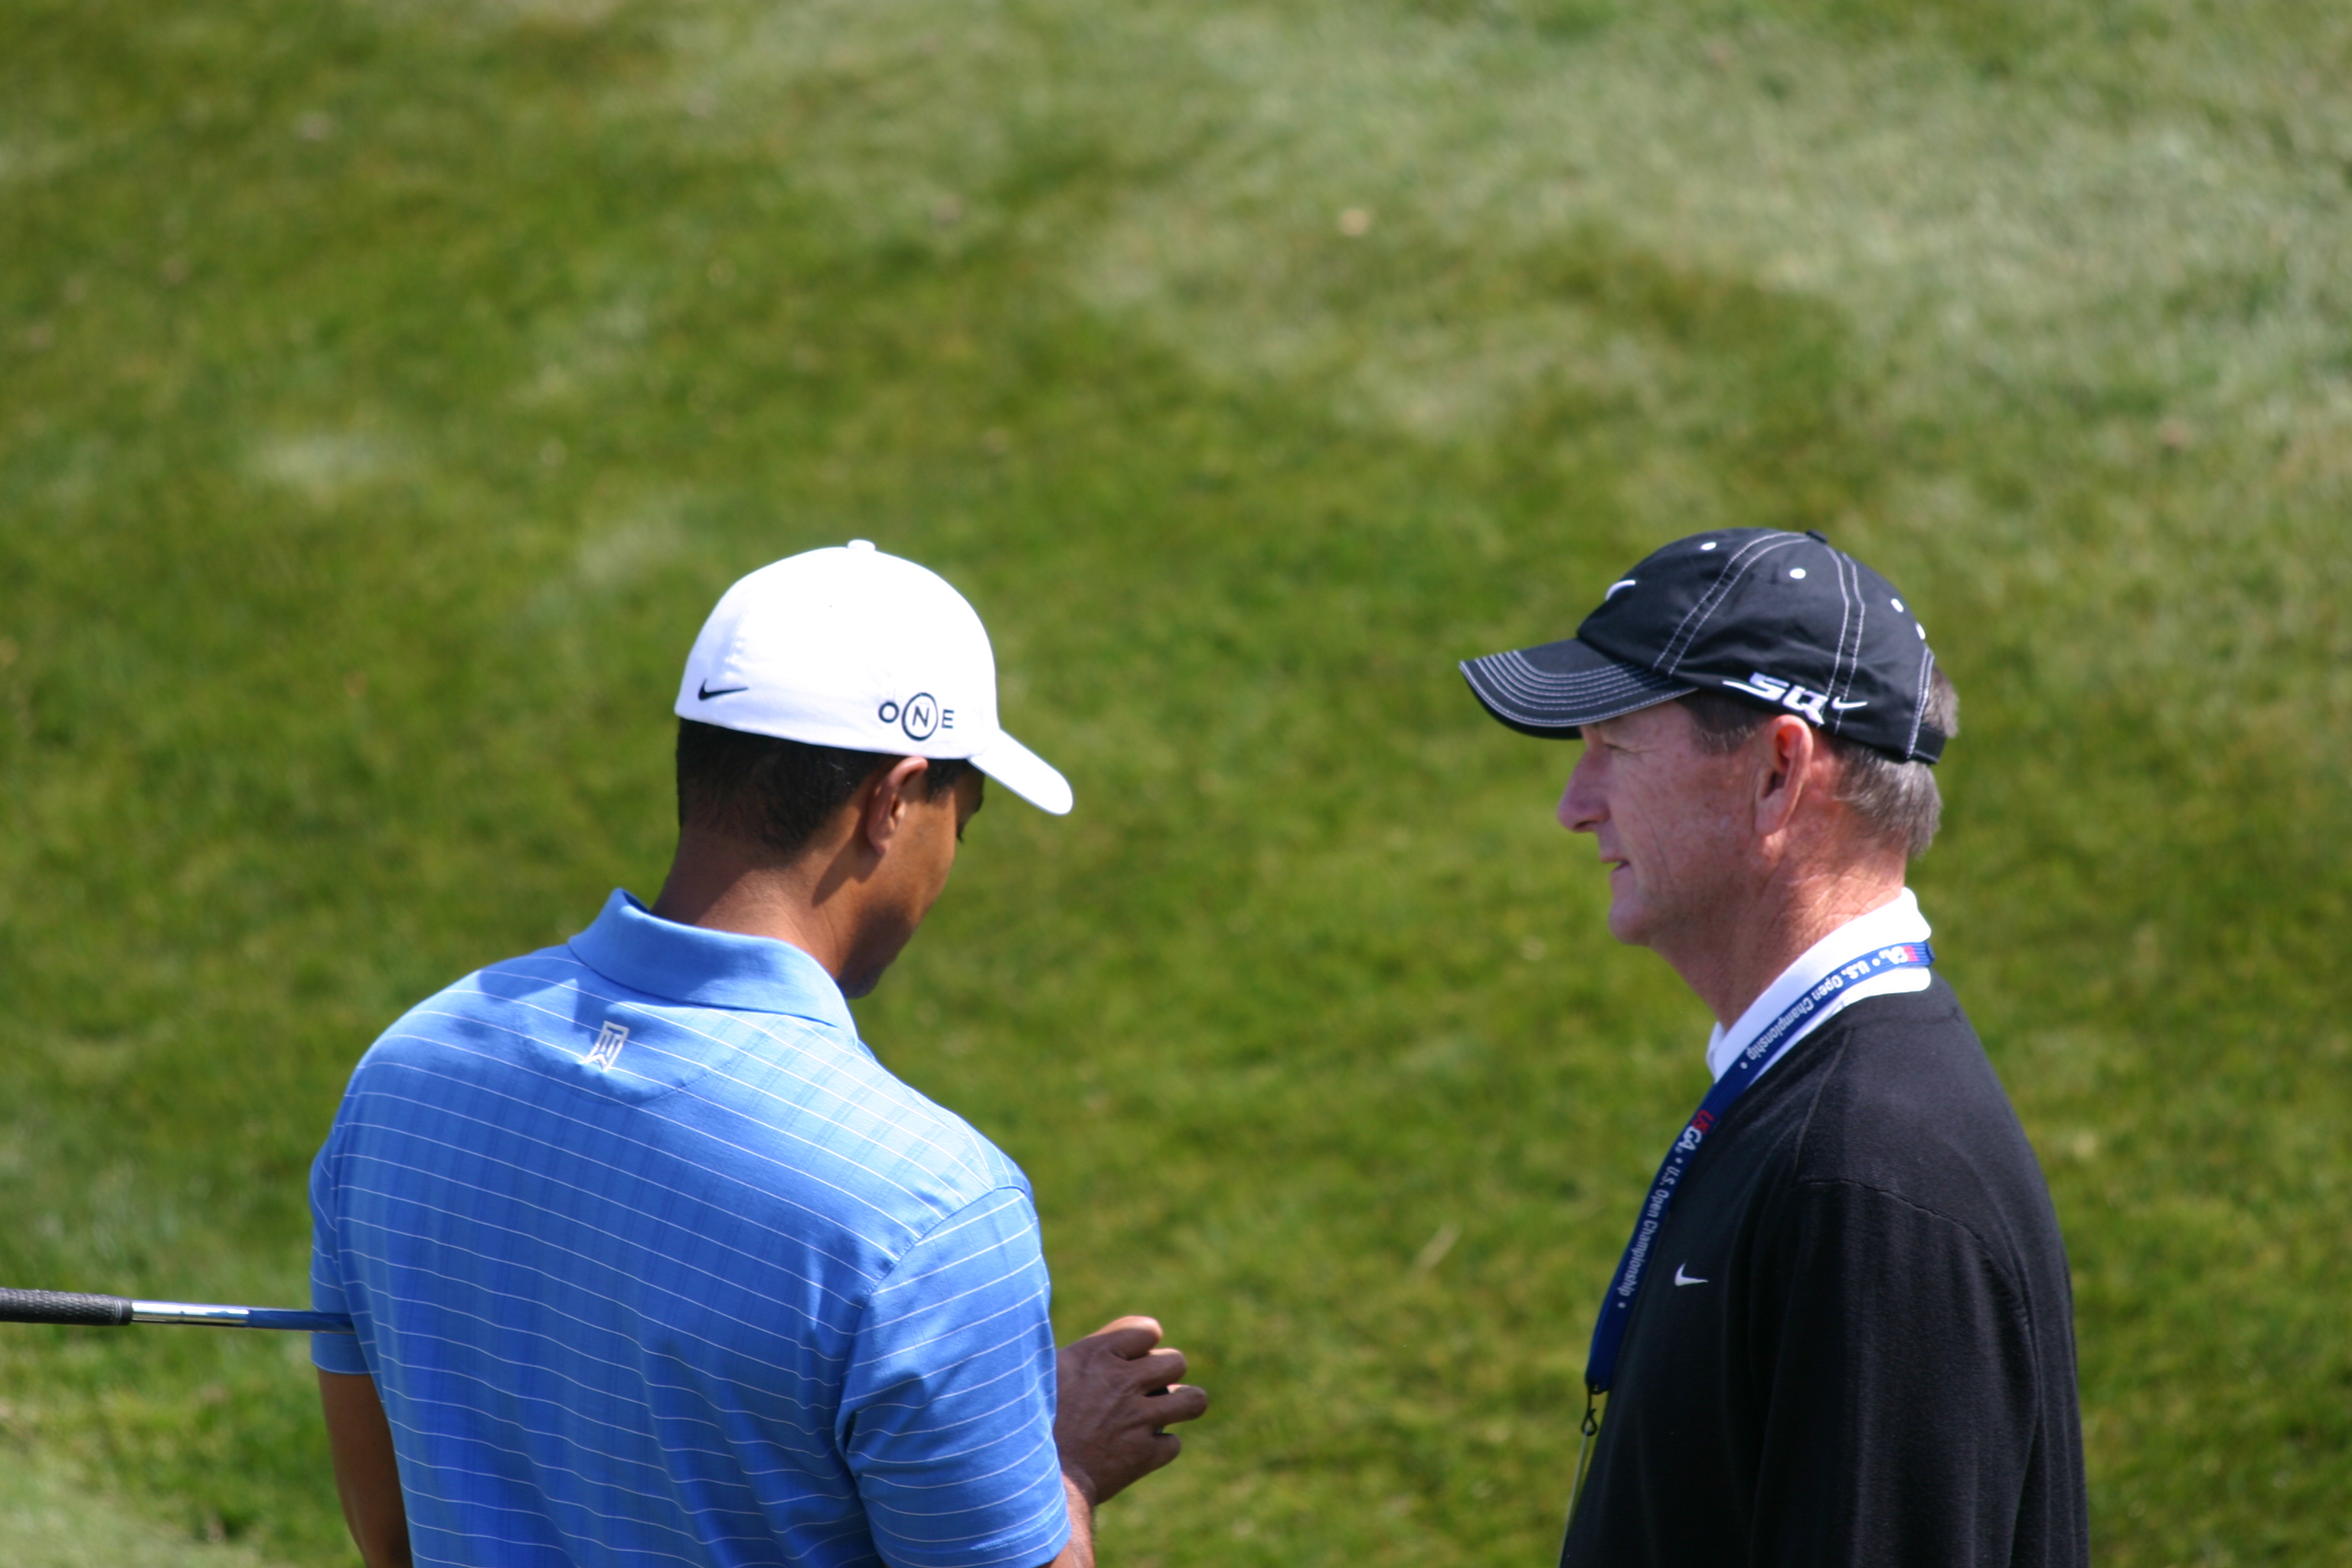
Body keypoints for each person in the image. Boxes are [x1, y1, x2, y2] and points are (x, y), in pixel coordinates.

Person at [309, 540, 1206, 1568]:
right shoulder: (928, 1212)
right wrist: (1061, 1473)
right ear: (891, 802)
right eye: (968, 813)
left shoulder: (402, 1077)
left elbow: (390, 1539)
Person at [1460, 528, 2088, 1567]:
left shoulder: (1869, 1186)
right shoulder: (1822, 1112)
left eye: (1613, 747)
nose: (1574, 809)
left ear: (1775, 773)